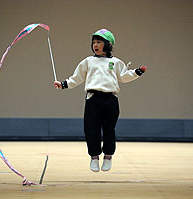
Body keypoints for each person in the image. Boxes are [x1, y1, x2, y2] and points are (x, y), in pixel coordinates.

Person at [54, 29, 147, 172]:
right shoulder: (88, 61)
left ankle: (108, 156)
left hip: (111, 99)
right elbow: (76, 77)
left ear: (108, 44)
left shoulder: (115, 62)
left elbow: (124, 76)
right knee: (91, 129)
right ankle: (94, 157)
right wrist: (63, 84)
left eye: (99, 42)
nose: (95, 45)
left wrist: (137, 72)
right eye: (93, 42)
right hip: (93, 99)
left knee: (109, 129)